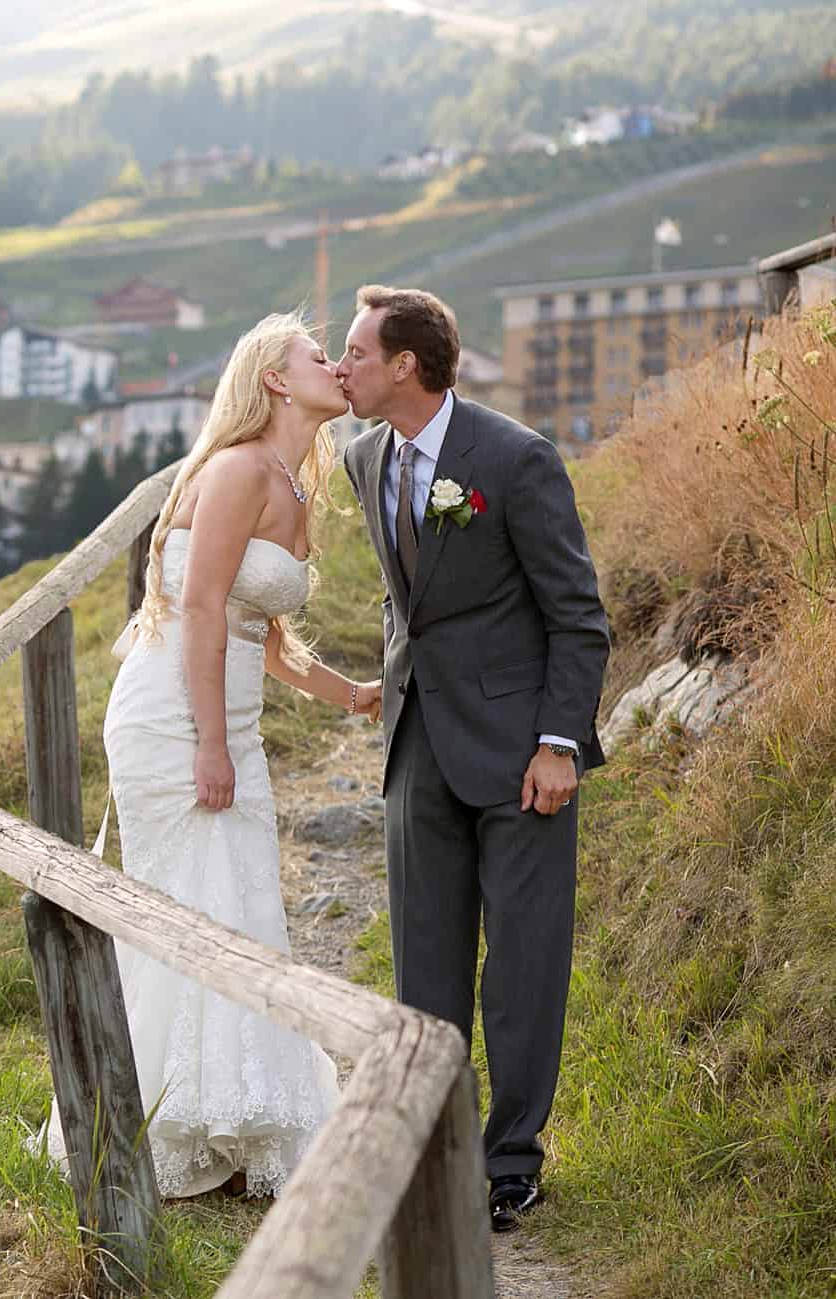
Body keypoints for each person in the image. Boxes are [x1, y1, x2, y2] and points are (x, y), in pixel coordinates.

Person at [43, 311, 378, 1198]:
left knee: (238, 898)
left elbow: (257, 633)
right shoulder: (235, 469)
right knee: (187, 901)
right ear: (274, 378)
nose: (336, 366)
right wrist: (212, 745)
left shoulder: (293, 481)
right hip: (174, 715)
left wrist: (349, 692)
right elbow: (196, 609)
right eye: (318, 355)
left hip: (225, 707)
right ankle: (165, 1119)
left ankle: (224, 1113)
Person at [334, 285, 609, 1232]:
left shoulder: (515, 458)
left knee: (522, 967)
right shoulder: (363, 455)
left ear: (406, 364)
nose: (343, 367)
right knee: (423, 969)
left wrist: (559, 743)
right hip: (416, 747)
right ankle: (434, 1151)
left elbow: (577, 615)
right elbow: (405, 599)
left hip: (524, 757)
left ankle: (509, 1163)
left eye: (357, 352)